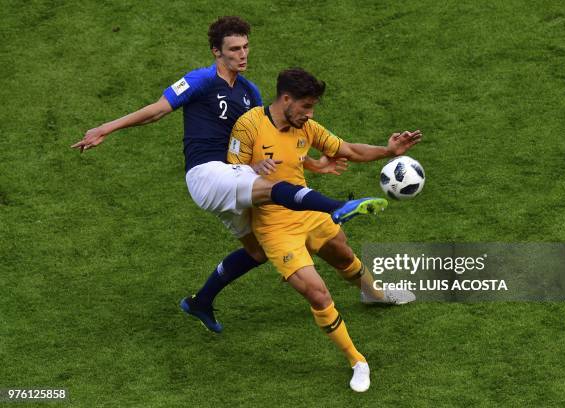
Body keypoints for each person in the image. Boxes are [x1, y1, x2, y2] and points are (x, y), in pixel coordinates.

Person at [71, 16, 388, 333]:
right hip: (208, 175)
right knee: (275, 189)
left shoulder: (251, 93)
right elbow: (157, 110)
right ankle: (336, 207)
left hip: (235, 176)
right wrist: (106, 128)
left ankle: (199, 302)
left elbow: (267, 144)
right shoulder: (200, 81)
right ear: (216, 52)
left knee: (259, 250)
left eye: (246, 47)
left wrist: (312, 164)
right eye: (234, 49)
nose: (243, 54)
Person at [227, 68, 422, 392]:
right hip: (275, 227)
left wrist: (388, 151)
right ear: (286, 99)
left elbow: (348, 150)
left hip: (310, 214)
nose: (310, 114)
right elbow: (226, 174)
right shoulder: (249, 125)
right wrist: (249, 169)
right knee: (318, 293)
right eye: (306, 107)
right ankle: (358, 361)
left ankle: (373, 294)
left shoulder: (307, 128)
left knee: (344, 256)